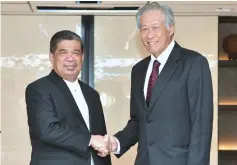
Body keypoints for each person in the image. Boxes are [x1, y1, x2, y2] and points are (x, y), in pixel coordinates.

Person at [101, 2, 214, 165]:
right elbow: (138, 121)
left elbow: (201, 125)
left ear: (171, 28)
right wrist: (116, 142)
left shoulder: (193, 63)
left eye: (155, 27)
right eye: (144, 29)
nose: (149, 35)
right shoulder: (138, 70)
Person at [25, 30, 111, 165]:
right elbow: (48, 130)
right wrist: (91, 140)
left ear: (82, 57)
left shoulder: (92, 94)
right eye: (63, 52)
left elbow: (99, 137)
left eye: (76, 53)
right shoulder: (38, 88)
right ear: (52, 57)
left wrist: (104, 147)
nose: (70, 58)